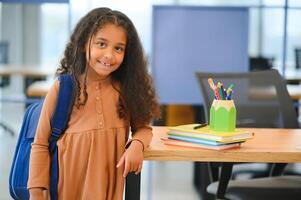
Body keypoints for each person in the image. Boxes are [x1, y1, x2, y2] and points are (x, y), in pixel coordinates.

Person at [28, 7, 160, 200]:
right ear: (84, 44)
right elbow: (40, 144)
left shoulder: (126, 89)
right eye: (101, 44)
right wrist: (36, 193)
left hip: (109, 191)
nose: (109, 55)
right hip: (65, 190)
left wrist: (137, 145)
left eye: (118, 48)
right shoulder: (63, 88)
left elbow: (143, 128)